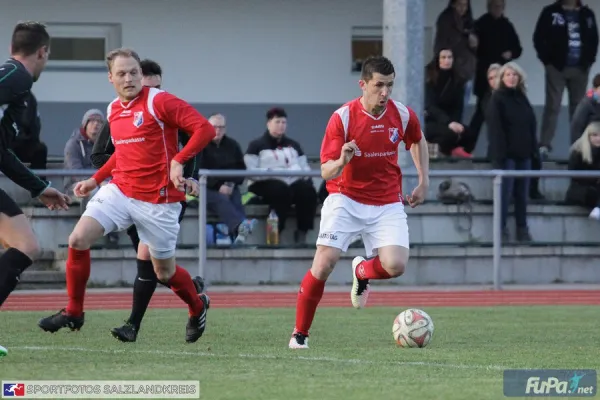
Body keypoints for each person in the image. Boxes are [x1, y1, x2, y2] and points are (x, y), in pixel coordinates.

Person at [38, 48, 216, 344]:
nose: (129, 78)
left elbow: (205, 129)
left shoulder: (159, 101)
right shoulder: (112, 109)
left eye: (133, 72)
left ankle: (197, 307)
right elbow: (123, 151)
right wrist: (94, 180)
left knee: (164, 272)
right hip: (121, 190)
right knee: (77, 239)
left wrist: (178, 160)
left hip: (159, 200)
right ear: (110, 78)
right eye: (121, 73)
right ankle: (74, 311)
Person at [289, 56, 430, 349]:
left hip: (387, 200)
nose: (385, 92)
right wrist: (342, 160)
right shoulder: (343, 117)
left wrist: (423, 180)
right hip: (346, 198)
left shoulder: (402, 115)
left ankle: (361, 271)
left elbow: (417, 140)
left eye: (390, 85)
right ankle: (300, 334)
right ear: (363, 84)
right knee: (324, 263)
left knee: (396, 265)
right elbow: (325, 170)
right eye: (379, 85)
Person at [89, 59, 204, 342]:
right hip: (128, 194)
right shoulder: (118, 111)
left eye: (157, 88)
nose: (150, 94)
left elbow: (193, 147)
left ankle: (133, 325)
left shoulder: (167, 107)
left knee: (147, 262)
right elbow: (100, 155)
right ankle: (193, 290)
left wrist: (189, 176)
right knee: (157, 268)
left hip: (163, 197)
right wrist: (128, 168)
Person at [0, 21, 71, 310]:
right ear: (42, 52)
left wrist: (40, 187)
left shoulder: (16, 83)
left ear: (11, 48)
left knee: (25, 245)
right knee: (25, 245)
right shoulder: (17, 77)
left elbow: (1, 153)